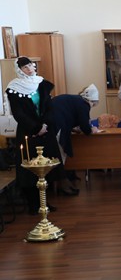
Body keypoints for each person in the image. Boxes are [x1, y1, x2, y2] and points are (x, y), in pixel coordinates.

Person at [6, 57, 66, 212]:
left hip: (46, 131)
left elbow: (49, 107)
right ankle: (33, 204)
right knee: (30, 168)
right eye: (24, 68)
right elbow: (18, 114)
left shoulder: (41, 83)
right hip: (29, 132)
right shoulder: (14, 88)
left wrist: (45, 125)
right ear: (19, 70)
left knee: (46, 166)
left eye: (30, 66)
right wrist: (36, 128)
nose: (29, 69)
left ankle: (44, 202)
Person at [51, 84, 100, 194]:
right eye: (93, 104)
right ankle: (60, 185)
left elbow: (71, 117)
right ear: (91, 101)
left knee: (58, 156)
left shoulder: (76, 100)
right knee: (59, 157)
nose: (91, 107)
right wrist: (92, 130)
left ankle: (58, 183)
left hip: (53, 123)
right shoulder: (84, 104)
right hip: (57, 127)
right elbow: (85, 127)